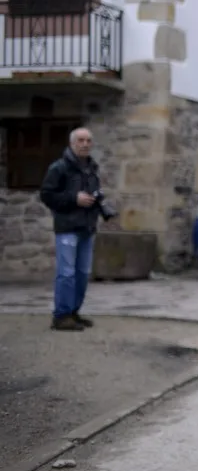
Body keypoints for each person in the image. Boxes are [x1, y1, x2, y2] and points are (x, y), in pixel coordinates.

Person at [39, 127, 104, 331]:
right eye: (80, 140)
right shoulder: (59, 168)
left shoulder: (92, 168)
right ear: (72, 143)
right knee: (66, 273)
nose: (85, 144)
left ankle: (73, 312)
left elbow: (93, 194)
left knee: (82, 273)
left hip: (87, 227)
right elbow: (46, 195)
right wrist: (74, 199)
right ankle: (61, 316)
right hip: (67, 227)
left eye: (88, 141)